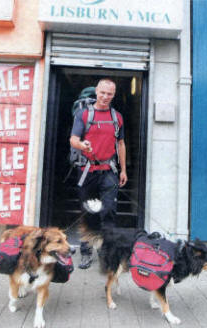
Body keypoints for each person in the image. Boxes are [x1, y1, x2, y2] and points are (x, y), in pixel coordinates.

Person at [70, 78, 127, 269]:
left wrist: (123, 170)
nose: (105, 97)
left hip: (109, 171)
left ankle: (107, 253)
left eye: (109, 94)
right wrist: (81, 144)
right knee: (89, 212)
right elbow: (73, 139)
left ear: (114, 95)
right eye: (102, 92)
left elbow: (120, 144)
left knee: (109, 211)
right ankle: (86, 252)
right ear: (96, 91)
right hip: (88, 171)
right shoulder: (84, 114)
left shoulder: (117, 117)